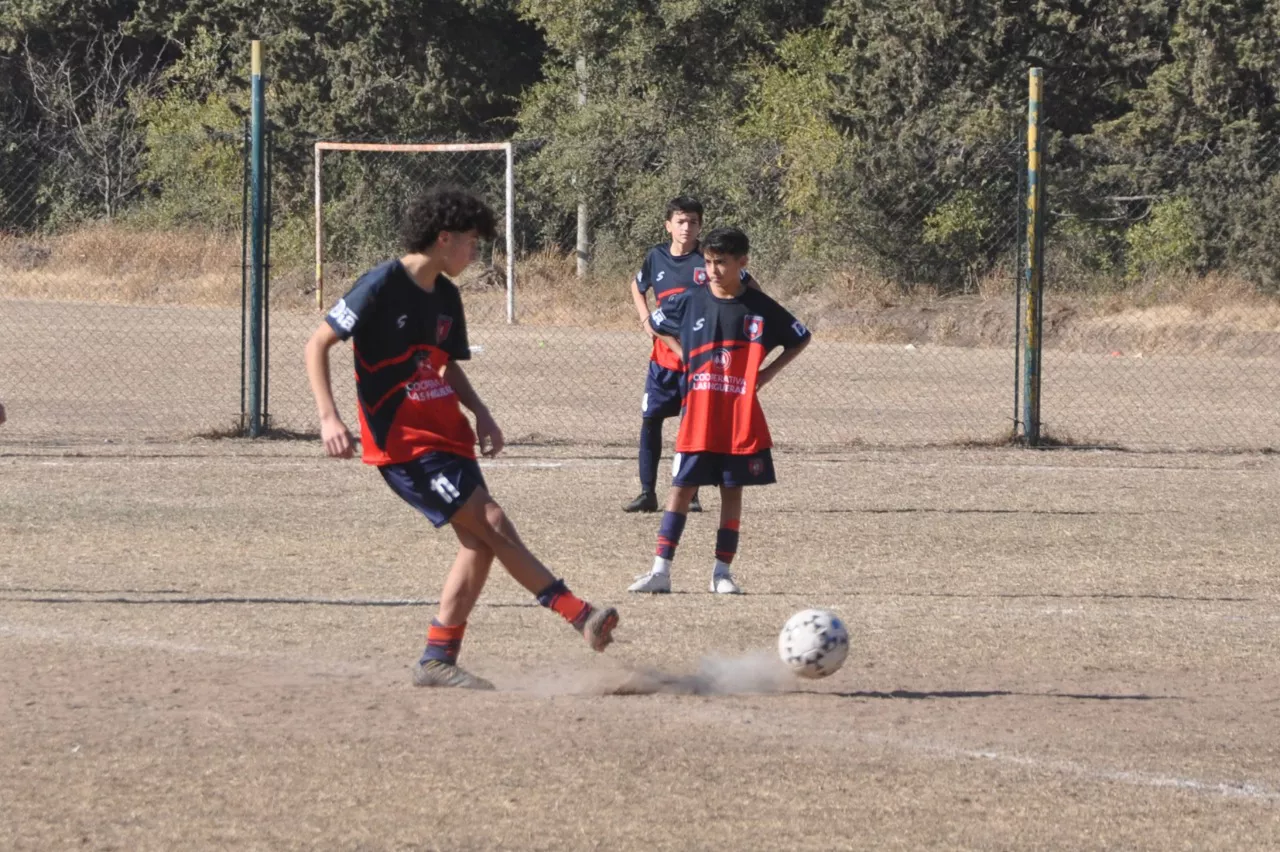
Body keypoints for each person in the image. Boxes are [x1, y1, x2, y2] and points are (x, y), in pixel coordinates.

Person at [305, 187, 619, 690]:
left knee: (479, 544)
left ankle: (437, 658)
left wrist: (482, 413)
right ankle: (576, 613)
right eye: (471, 242)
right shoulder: (382, 284)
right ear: (443, 238)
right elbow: (317, 343)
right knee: (490, 520)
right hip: (404, 445)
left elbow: (442, 366)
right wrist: (329, 417)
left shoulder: (447, 296)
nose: (475, 254)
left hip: (447, 435)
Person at [627, 226, 811, 595]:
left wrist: (764, 375)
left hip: (738, 416)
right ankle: (660, 572)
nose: (712, 270)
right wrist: (685, 358)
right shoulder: (691, 300)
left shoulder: (759, 307)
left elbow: (800, 336)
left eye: (721, 263)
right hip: (698, 415)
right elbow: (656, 325)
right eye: (709, 262)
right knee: (680, 488)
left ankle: (722, 573)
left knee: (732, 490)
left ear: (742, 263)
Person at [623, 196, 759, 514]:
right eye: (681, 221)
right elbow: (637, 285)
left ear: (700, 226)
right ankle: (647, 493)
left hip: (701, 361)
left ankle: (691, 492)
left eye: (694, 222)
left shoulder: (709, 260)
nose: (687, 228)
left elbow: (751, 289)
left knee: (692, 425)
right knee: (650, 420)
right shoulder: (656, 257)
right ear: (668, 225)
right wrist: (645, 318)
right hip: (664, 359)